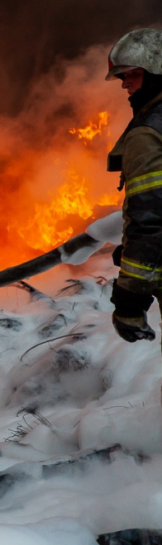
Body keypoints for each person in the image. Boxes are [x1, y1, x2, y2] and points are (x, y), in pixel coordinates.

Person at [104, 28, 162, 344]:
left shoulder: (147, 135)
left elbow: (151, 220)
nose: (125, 84)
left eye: (132, 75)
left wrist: (129, 303)